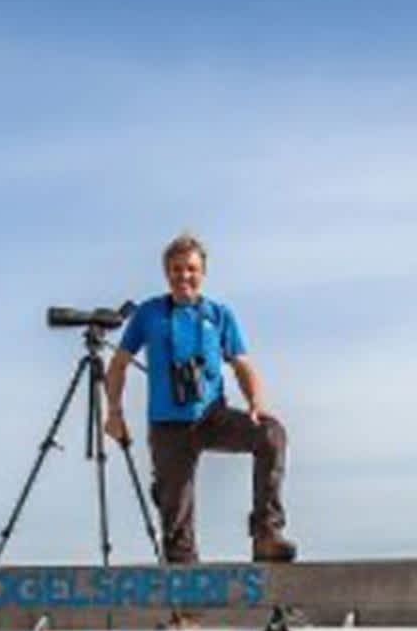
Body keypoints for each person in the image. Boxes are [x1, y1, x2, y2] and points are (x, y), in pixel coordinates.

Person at [102, 232, 298, 564]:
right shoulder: (149, 314)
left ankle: (267, 534)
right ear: (167, 273)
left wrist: (255, 403)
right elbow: (118, 365)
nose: (184, 277)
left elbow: (242, 364)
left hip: (212, 416)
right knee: (176, 522)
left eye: (191, 269)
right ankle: (186, 610)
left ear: (202, 272)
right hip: (167, 426)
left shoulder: (219, 314)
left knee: (271, 434)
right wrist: (114, 413)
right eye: (177, 269)